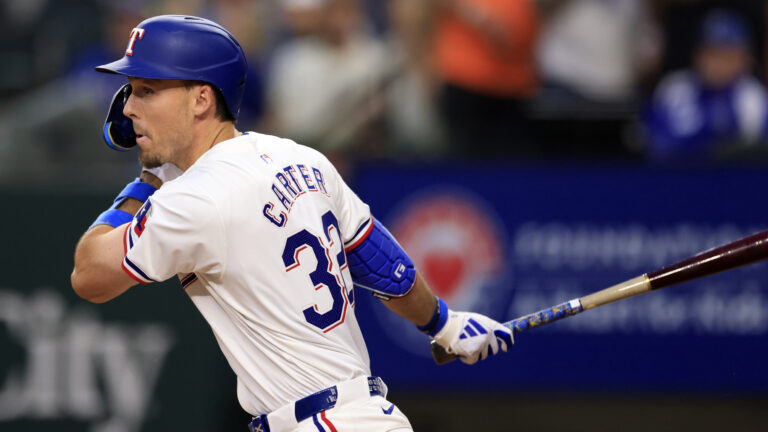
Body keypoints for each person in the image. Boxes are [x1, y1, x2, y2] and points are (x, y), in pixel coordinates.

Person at [69, 15, 512, 432]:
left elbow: (90, 276)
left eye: (147, 90)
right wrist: (444, 323)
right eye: (131, 90)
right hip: (361, 416)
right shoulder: (299, 156)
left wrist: (147, 182)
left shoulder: (191, 198)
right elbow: (380, 263)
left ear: (202, 98)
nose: (128, 108)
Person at [643, 9, 768, 161]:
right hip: (678, 178)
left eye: (727, 55)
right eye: (711, 53)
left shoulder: (755, 97)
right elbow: (654, 143)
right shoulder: (674, 89)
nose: (717, 64)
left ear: (744, 59)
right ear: (696, 55)